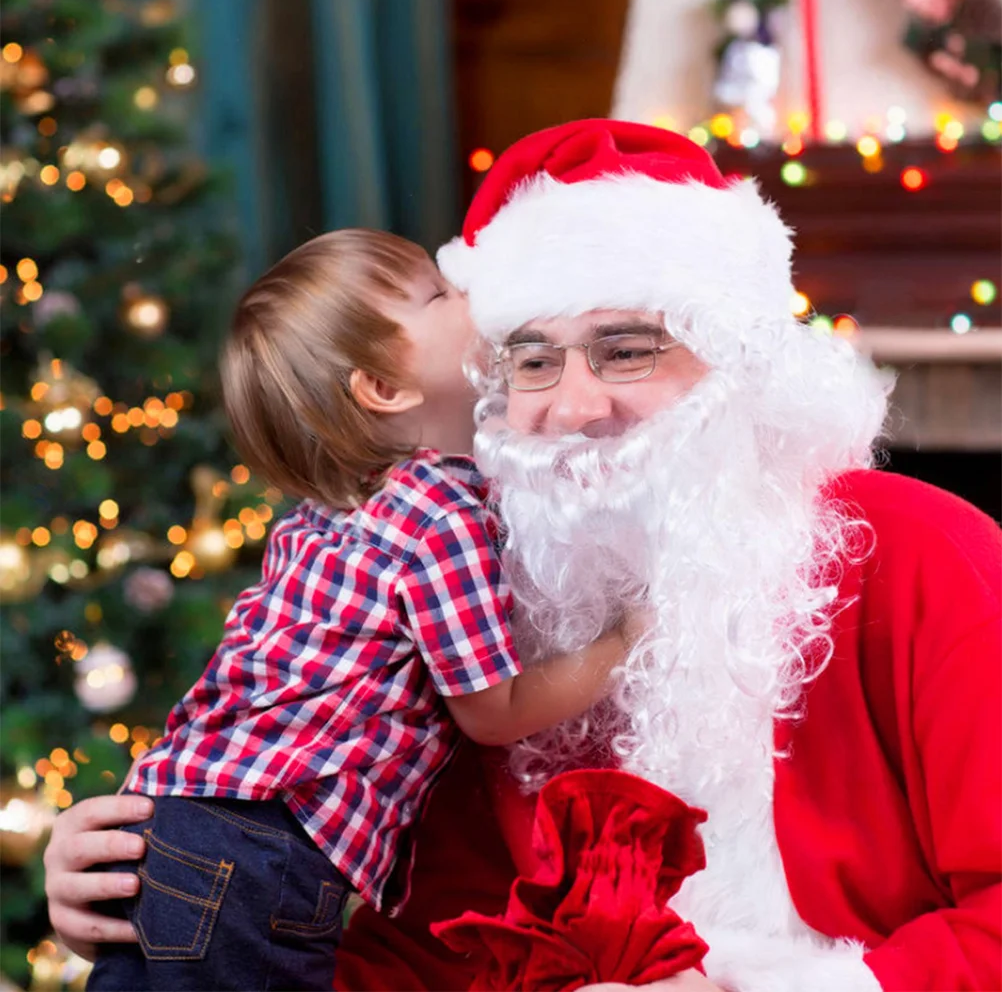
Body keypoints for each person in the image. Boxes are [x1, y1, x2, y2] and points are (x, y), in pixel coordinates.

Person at [46, 121, 1001, 991]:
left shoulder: (921, 551)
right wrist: (160, 887)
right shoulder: (491, 603)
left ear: (739, 358)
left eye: (626, 350)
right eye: (533, 361)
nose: (575, 410)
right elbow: (408, 959)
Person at [80, 227, 633, 992]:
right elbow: (494, 711)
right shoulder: (440, 509)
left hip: (180, 814)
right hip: (259, 852)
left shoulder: (327, 512)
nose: (467, 292)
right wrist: (626, 640)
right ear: (384, 386)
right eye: (439, 294)